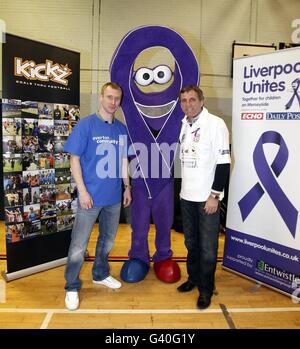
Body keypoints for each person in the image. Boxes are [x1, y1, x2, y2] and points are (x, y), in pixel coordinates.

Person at [63, 82, 132, 311]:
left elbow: (124, 161)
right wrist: (82, 191)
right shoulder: (86, 126)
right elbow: (74, 160)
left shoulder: (121, 129)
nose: (114, 102)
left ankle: (100, 274)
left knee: (108, 241)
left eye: (117, 99)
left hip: (113, 197)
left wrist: (127, 187)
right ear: (101, 97)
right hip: (89, 197)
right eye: (110, 97)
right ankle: (72, 286)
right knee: (78, 245)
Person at [177, 85, 231, 309]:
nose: (187, 104)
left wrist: (214, 196)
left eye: (192, 99)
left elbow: (223, 163)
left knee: (208, 247)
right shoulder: (184, 125)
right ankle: (194, 278)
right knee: (191, 243)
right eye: (184, 101)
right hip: (187, 196)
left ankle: (206, 290)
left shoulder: (215, 124)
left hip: (207, 199)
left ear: (201, 101)